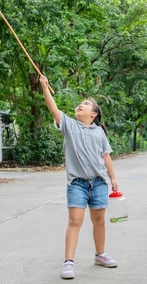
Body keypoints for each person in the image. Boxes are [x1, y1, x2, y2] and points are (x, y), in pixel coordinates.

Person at [39, 75, 119, 280]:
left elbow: (106, 157)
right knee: (75, 221)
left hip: (99, 183)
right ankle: (68, 262)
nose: (80, 106)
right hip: (77, 184)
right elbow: (54, 109)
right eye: (80, 104)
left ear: (93, 114)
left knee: (99, 221)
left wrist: (113, 178)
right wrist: (44, 87)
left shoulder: (100, 132)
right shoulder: (70, 126)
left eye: (85, 105)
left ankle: (100, 255)